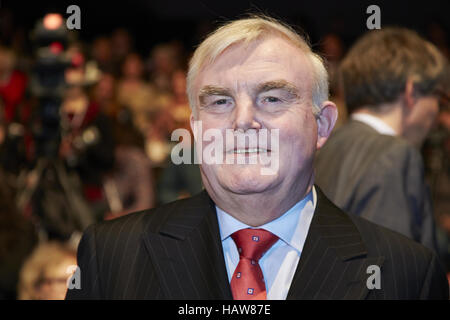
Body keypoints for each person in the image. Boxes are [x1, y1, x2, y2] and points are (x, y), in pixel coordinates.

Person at [66, 16, 449, 300]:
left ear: (323, 124)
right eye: (219, 101)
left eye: (272, 98)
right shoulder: (112, 257)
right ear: (197, 129)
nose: (243, 120)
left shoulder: (406, 275)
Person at [315, 27, 448, 253]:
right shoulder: (394, 154)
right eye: (437, 97)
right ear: (411, 91)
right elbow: (392, 272)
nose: (437, 113)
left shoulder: (326, 145)